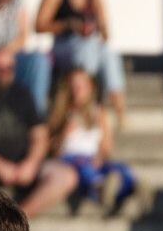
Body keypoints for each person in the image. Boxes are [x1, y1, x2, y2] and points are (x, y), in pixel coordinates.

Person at [0, 50, 78, 219]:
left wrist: (31, 164)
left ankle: (19, 219)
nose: (2, 73)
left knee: (66, 176)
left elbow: (40, 136)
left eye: (8, 68)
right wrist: (0, 166)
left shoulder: (24, 94)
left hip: (22, 165)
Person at [36, 0, 128, 128]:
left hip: (88, 47)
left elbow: (106, 35)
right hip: (64, 46)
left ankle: (120, 112)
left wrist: (99, 24)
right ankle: (89, 104)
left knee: (108, 55)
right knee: (86, 49)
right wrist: (68, 25)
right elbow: (39, 25)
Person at [47, 68, 137, 217]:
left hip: (93, 158)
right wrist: (64, 134)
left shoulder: (99, 113)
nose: (77, 91)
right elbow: (50, 149)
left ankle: (133, 186)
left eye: (82, 86)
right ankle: (99, 188)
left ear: (91, 88)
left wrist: (100, 157)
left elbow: (107, 146)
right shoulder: (60, 113)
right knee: (84, 168)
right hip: (68, 160)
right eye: (74, 86)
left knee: (119, 168)